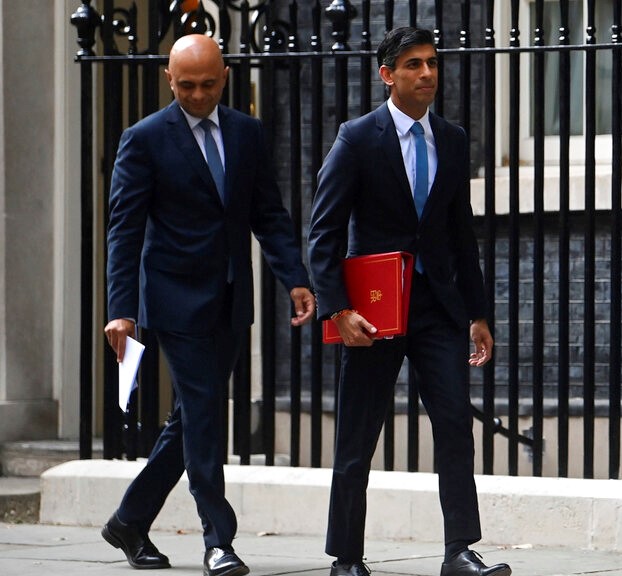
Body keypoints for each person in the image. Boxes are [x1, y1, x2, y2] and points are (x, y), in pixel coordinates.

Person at [102, 33, 315, 576]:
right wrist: (121, 308)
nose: (198, 95)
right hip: (174, 301)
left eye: (208, 84)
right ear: (169, 81)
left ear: (225, 77)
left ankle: (129, 520)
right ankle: (218, 540)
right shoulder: (144, 139)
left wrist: (294, 277)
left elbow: (268, 213)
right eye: (187, 85)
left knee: (191, 417)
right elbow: (124, 231)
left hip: (229, 298)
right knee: (205, 414)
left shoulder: (246, 132)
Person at [307, 26, 511, 576]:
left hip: (437, 310)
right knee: (359, 432)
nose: (427, 74)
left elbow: (459, 230)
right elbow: (323, 233)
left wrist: (478, 313)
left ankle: (459, 551)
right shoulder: (357, 138)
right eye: (414, 65)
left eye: (432, 63)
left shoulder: (451, 137)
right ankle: (346, 557)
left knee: (453, 425)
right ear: (387, 75)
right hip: (373, 311)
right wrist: (336, 309)